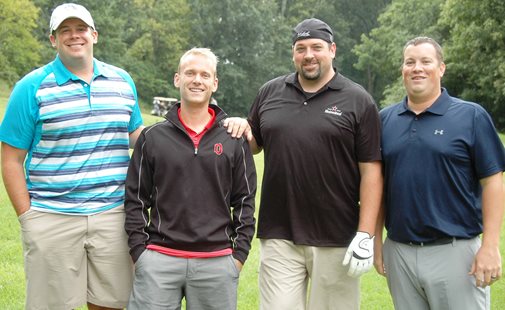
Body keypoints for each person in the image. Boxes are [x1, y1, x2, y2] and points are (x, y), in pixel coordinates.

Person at [0, 3, 144, 310]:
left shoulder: (122, 81)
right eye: (64, 30)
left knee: (112, 304)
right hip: (52, 216)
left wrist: (194, 129)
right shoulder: (31, 88)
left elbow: (138, 138)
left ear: (94, 35)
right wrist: (28, 218)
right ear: (53, 39)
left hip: (113, 216)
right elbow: (11, 159)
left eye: (80, 29)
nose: (74, 35)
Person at [246, 18, 383, 310]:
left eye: (316, 47)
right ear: (293, 53)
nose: (309, 55)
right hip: (279, 232)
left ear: (332, 50)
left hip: (336, 235)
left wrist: (366, 234)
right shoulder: (270, 92)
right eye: (301, 48)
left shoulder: (359, 100)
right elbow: (254, 143)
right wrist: (235, 125)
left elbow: (371, 171)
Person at [375, 36, 505, 309]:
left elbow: (493, 181)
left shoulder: (471, 116)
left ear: (441, 68)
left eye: (425, 61)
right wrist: (377, 241)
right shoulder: (384, 120)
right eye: (410, 62)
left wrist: (490, 246)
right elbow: (377, 185)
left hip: (455, 252)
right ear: (402, 69)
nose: (417, 68)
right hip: (399, 252)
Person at [124, 48, 256, 310]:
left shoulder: (233, 139)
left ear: (214, 83)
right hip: (159, 260)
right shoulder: (152, 138)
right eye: (190, 73)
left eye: (205, 74)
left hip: (216, 262)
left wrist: (237, 256)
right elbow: (135, 199)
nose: (197, 80)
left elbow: (245, 202)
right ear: (177, 79)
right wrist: (140, 253)